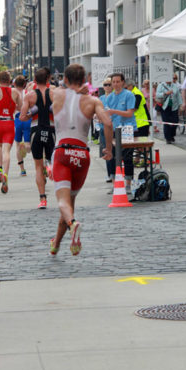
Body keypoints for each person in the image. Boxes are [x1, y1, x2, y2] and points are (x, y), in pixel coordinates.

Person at [50, 63, 113, 256]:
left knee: (63, 202)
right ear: (85, 80)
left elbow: (42, 86)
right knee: (70, 203)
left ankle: (73, 224)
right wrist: (108, 149)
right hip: (81, 154)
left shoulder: (56, 94)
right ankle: (56, 244)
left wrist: (71, 87)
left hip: (62, 152)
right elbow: (108, 123)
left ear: (66, 79)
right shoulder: (93, 101)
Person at [20, 67, 55, 209]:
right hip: (51, 130)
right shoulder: (55, 94)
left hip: (36, 132)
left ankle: (42, 199)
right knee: (51, 159)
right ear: (48, 79)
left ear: (34, 80)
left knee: (38, 167)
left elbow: (22, 117)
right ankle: (50, 165)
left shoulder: (29, 95)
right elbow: (62, 112)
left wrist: (31, 113)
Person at [106, 73, 137, 197]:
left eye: (118, 82)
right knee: (113, 157)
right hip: (114, 129)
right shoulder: (109, 97)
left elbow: (129, 113)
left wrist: (113, 111)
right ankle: (115, 184)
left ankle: (128, 184)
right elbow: (108, 114)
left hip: (128, 129)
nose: (115, 84)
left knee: (127, 158)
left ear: (123, 83)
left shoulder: (129, 95)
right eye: (113, 82)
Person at [13, 76, 31, 175]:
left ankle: (22, 169)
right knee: (29, 142)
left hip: (18, 119)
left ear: (14, 84)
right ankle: (27, 146)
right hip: (28, 118)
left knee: (17, 145)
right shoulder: (28, 93)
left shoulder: (13, 93)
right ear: (24, 84)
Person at [156, 77, 182, 144]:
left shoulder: (175, 86)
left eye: (173, 78)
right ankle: (168, 138)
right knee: (166, 123)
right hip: (165, 107)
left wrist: (181, 105)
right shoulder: (161, 85)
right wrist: (165, 93)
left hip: (174, 107)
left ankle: (172, 135)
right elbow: (157, 94)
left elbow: (178, 96)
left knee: (175, 122)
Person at [99, 77, 113, 182]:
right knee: (106, 151)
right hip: (103, 128)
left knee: (116, 152)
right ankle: (110, 174)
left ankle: (115, 173)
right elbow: (97, 111)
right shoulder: (101, 98)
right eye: (105, 85)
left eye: (109, 84)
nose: (107, 87)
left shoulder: (115, 97)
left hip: (114, 128)